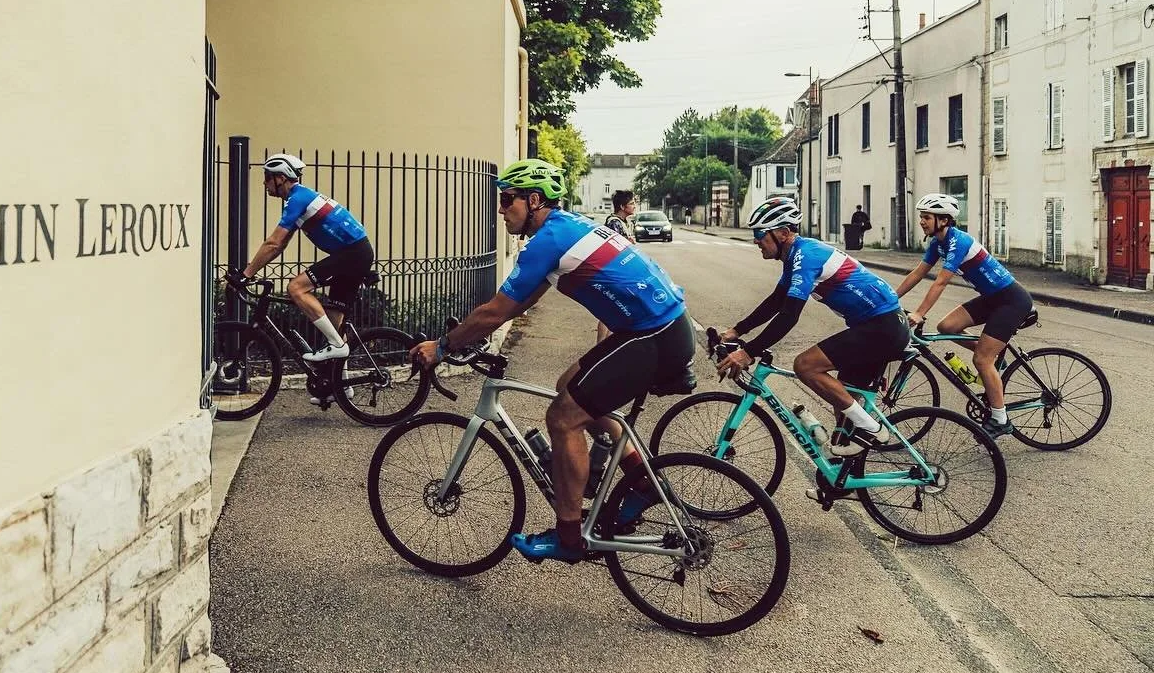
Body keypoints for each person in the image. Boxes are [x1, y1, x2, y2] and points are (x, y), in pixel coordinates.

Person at [409, 159, 698, 563]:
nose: (500, 208)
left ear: (533, 200)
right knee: (568, 385)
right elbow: (518, 303)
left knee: (563, 417)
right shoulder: (567, 228)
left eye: (506, 199)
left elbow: (496, 311)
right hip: (660, 328)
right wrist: (470, 337)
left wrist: (441, 347)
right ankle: (643, 483)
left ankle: (569, 536)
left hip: (652, 335)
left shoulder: (548, 241)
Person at [716, 197, 909, 476]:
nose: (756, 241)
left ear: (782, 233)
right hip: (877, 325)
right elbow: (776, 301)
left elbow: (789, 315)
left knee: (805, 365)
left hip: (883, 327)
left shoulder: (805, 257)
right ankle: (845, 479)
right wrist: (737, 331)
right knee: (843, 400)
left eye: (760, 235)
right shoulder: (795, 256)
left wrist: (748, 352)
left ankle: (872, 429)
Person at [232, 153, 374, 406]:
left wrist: (246, 275)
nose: (264, 184)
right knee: (333, 319)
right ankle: (339, 387)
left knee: (296, 287)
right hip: (354, 253)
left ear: (280, 178)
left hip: (351, 254)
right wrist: (253, 270)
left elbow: (273, 242)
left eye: (267, 179)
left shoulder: (298, 198)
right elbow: (280, 245)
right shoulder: (300, 198)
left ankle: (336, 346)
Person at [893, 193, 1032, 438]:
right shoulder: (937, 243)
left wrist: (919, 312)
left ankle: (1000, 419)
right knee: (947, 327)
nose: (922, 222)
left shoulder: (959, 241)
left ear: (944, 220)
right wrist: (891, 298)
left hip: (1011, 300)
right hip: (992, 298)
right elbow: (918, 273)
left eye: (926, 217)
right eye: (921, 217)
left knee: (981, 360)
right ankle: (992, 353)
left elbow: (941, 282)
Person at [597, 191, 638, 344]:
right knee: (609, 309)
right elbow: (612, 248)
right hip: (613, 272)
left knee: (616, 310)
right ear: (622, 206)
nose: (635, 206)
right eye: (632, 203)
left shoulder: (627, 222)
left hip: (623, 271)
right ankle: (600, 347)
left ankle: (606, 345)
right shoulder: (614, 222)